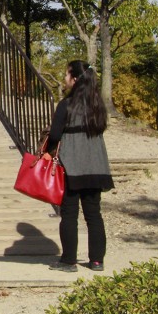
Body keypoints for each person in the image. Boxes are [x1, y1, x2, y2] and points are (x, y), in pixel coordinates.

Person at [44, 60, 114, 273]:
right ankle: (96, 261)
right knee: (94, 214)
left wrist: (49, 150)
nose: (64, 79)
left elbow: (55, 134)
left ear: (74, 80)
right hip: (95, 164)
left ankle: (68, 261)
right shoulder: (97, 105)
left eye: (66, 75)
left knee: (69, 214)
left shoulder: (66, 105)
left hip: (72, 162)